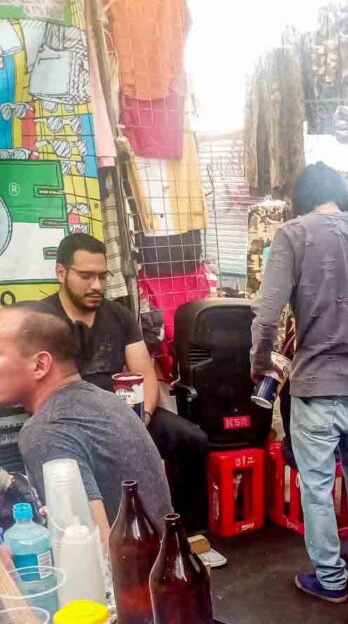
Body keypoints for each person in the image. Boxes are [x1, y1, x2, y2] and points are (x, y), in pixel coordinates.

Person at [251, 162, 348, 603]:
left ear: (300, 198)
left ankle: (331, 578)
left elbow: (266, 316)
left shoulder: (293, 235)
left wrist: (261, 364)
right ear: (341, 193)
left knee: (317, 482)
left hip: (315, 382)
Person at [26, 233, 208, 532]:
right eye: (86, 276)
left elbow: (145, 373)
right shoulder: (40, 320)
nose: (97, 286)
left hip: (123, 414)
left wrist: (142, 418)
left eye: (102, 276)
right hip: (68, 421)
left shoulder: (119, 316)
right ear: (61, 273)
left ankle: (187, 537)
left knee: (191, 440)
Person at [0, 308, 171, 544]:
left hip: (134, 575)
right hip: (161, 563)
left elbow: (95, 552)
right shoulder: (105, 399)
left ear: (40, 364)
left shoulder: (46, 430)